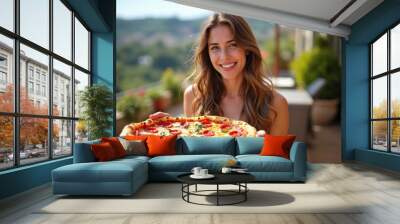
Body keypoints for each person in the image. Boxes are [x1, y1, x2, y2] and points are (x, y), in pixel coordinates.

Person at [150, 13, 289, 136]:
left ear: (246, 48)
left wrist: (263, 149)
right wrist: (171, 130)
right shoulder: (194, 96)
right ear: (207, 53)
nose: (224, 57)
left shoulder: (276, 104)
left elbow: (279, 164)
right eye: (215, 47)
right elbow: (192, 156)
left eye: (232, 45)